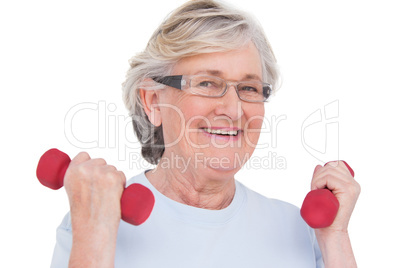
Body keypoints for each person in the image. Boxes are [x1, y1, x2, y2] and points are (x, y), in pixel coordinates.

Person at [50, 1, 360, 267]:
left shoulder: (299, 230)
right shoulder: (92, 222)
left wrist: (336, 238)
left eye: (249, 88)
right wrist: (92, 236)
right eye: (207, 83)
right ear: (153, 101)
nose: (234, 109)